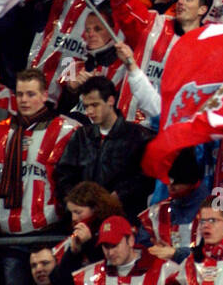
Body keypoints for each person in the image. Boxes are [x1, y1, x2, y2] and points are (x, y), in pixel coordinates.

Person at [0, 70, 80, 285]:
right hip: (7, 239)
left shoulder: (68, 131)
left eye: (31, 94)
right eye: (20, 94)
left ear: (44, 95)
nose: (24, 100)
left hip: (48, 235)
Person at [54, 76, 154, 218]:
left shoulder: (138, 136)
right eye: (86, 106)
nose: (89, 111)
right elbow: (64, 175)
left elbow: (146, 178)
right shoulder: (81, 136)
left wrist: (119, 195)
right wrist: (78, 202)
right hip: (85, 220)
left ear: (111, 101)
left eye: (95, 105)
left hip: (124, 219)